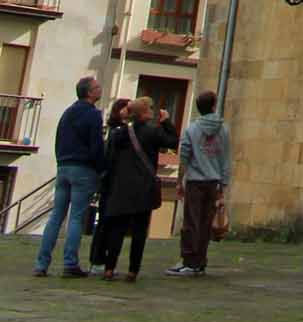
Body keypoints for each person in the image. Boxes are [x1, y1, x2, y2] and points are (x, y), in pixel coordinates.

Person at [95, 96, 178, 283]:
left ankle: (109, 268)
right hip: (142, 188)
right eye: (150, 108)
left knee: (117, 230)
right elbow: (172, 141)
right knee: (139, 232)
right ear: (144, 112)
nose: (152, 111)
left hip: (121, 187)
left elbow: (110, 159)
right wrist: (166, 122)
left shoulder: (120, 134)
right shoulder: (152, 132)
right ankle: (133, 271)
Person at [33, 74, 106, 278]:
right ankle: (70, 263)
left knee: (56, 216)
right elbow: (96, 146)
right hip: (83, 169)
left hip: (64, 166)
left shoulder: (68, 112)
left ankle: (41, 263)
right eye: (97, 87)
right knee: (76, 217)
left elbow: (59, 139)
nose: (100, 90)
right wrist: (101, 168)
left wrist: (61, 161)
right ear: (90, 93)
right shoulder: (93, 115)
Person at [168, 89, 231, 277]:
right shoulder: (224, 129)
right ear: (213, 105)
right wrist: (224, 185)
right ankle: (200, 261)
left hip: (196, 180)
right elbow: (225, 158)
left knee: (191, 222)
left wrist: (180, 180)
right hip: (214, 181)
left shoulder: (192, 129)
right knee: (205, 223)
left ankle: (189, 260)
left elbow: (185, 155)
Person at [87, 99, 132, 274]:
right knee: (106, 223)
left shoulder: (117, 130)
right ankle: (98, 260)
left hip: (111, 183)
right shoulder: (119, 131)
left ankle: (100, 260)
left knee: (107, 223)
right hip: (111, 183)